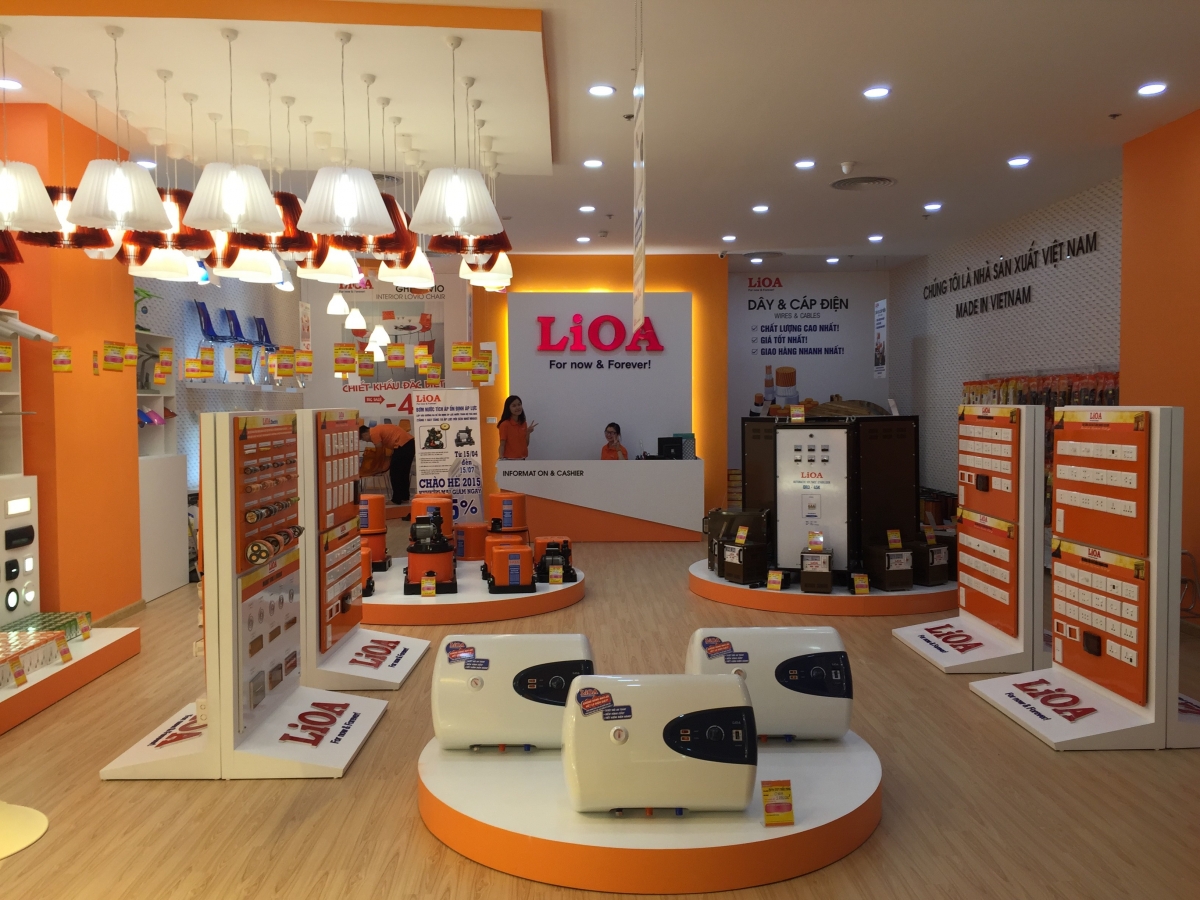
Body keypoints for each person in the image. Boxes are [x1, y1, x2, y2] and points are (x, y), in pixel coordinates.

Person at [359, 421, 415, 506]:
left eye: (363, 439)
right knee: (403, 473)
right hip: (409, 444)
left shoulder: (373, 433)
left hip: (402, 446)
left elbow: (379, 452)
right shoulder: (377, 429)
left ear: (364, 434)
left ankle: (396, 499)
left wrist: (376, 466)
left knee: (395, 473)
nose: (366, 441)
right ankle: (404, 497)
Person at [498, 395, 537, 460]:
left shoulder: (523, 423)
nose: (517, 407)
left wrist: (528, 433)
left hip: (522, 459)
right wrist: (501, 457)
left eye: (519, 404)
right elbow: (502, 444)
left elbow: (525, 445)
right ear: (508, 408)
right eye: (514, 406)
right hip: (509, 459)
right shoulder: (505, 424)